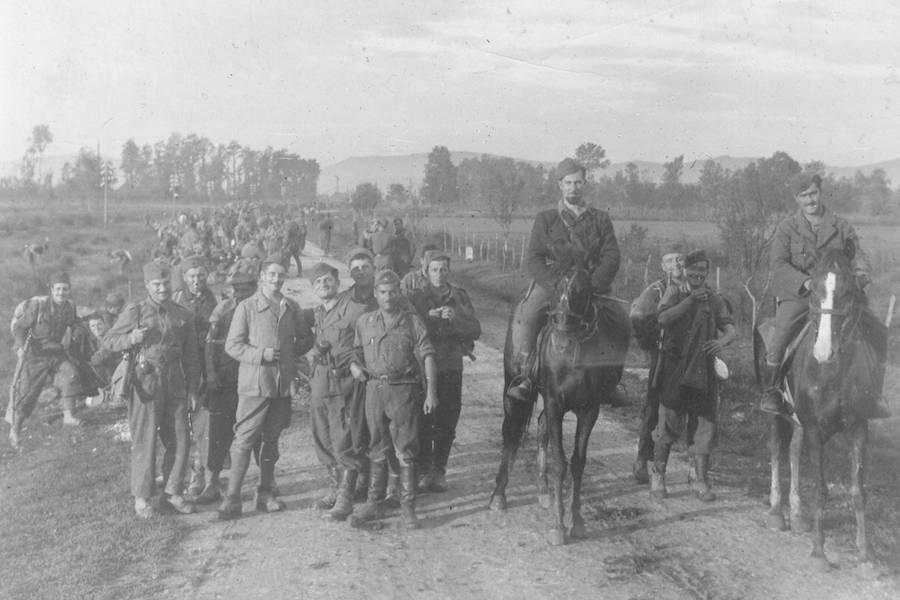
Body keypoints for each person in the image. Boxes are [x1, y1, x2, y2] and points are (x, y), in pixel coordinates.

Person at [761, 173, 889, 418]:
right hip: (801, 295)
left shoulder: (841, 226)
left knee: (877, 332)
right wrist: (806, 282)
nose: (810, 200)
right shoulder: (787, 228)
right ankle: (773, 389)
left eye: (813, 193)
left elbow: (858, 256)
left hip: (837, 295)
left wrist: (860, 276)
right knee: (781, 334)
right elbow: (778, 265)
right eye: (803, 196)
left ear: (820, 193)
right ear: (796, 198)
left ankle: (874, 394)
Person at [506, 158, 622, 403]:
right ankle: (527, 375)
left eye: (578, 182)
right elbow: (534, 257)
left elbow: (611, 256)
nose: (573, 188)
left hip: (589, 285)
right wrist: (553, 285)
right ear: (560, 184)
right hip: (553, 284)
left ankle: (611, 381)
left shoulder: (600, 219)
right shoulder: (547, 219)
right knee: (528, 313)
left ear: (585, 183)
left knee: (619, 318)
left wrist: (592, 284)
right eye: (568, 183)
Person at [103, 260, 202, 518]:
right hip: (145, 381)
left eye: (166, 283)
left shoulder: (183, 314)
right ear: (147, 285)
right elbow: (109, 340)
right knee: (145, 439)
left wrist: (193, 388)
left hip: (175, 380)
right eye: (156, 284)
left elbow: (191, 355)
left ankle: (172, 492)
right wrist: (130, 338)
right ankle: (142, 497)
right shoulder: (135, 311)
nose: (162, 289)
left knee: (180, 437)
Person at [218, 256, 314, 520]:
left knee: (271, 439)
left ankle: (265, 492)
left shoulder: (291, 307)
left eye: (281, 275)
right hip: (254, 384)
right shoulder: (247, 307)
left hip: (281, 385)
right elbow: (232, 346)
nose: (276, 279)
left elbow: (304, 340)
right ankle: (232, 498)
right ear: (262, 276)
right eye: (271, 274)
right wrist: (262, 355)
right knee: (244, 439)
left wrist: (292, 353)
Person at [348, 270, 439, 529]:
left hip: (403, 391)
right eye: (383, 292)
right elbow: (355, 352)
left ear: (399, 293)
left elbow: (428, 356)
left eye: (392, 291)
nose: (388, 296)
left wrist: (431, 392)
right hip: (374, 389)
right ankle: (373, 503)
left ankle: (408, 508)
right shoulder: (364, 322)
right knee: (376, 446)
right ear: (375, 294)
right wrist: (355, 366)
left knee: (406, 449)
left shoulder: (412, 322)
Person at [650, 250, 736, 502]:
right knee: (668, 423)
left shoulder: (714, 299)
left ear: (707, 273)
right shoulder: (674, 292)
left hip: (703, 369)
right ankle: (658, 476)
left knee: (704, 425)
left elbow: (730, 330)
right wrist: (689, 301)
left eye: (702, 270)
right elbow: (663, 318)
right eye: (693, 270)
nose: (697, 274)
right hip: (675, 367)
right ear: (684, 270)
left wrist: (721, 342)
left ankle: (699, 480)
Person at [307, 258, 377, 521]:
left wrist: (356, 363)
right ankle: (336, 488)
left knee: (344, 436)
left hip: (344, 379)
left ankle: (346, 498)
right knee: (322, 433)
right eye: (318, 282)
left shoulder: (355, 309)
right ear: (313, 288)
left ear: (337, 282)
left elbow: (365, 342)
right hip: (320, 379)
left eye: (328, 280)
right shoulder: (318, 312)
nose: (324, 285)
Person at [408, 251, 481, 493]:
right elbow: (405, 324)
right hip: (421, 366)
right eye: (434, 270)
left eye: (443, 270)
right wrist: (426, 317)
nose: (439, 274)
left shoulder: (459, 296)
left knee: (447, 420)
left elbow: (475, 329)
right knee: (422, 420)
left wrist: (455, 319)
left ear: (449, 271)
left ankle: (439, 470)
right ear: (426, 271)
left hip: (450, 365)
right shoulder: (416, 297)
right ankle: (423, 470)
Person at [193, 259, 258, 504]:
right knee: (218, 432)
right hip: (225, 378)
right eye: (237, 289)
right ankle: (212, 483)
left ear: (255, 287)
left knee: (256, 432)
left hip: (253, 378)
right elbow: (210, 345)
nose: (241, 293)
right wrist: (211, 374)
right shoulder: (223, 310)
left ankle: (265, 484)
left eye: (246, 289)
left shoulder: (260, 308)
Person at [7, 272, 85, 449]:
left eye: (65, 289)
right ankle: (15, 430)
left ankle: (68, 416)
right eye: (58, 289)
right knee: (27, 394)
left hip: (56, 353)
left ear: (69, 290)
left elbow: (75, 322)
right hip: (35, 355)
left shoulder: (70, 306)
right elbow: (19, 328)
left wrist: (77, 331)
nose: (61, 293)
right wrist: (20, 347)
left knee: (71, 374)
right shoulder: (38, 306)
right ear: (51, 289)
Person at [628, 252, 687, 483]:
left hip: (690, 357)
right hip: (663, 355)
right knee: (654, 406)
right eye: (670, 261)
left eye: (680, 259)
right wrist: (648, 341)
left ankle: (695, 468)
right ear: (663, 266)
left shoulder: (692, 286)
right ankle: (642, 458)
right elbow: (637, 315)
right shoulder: (656, 290)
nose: (676, 264)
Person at [172, 255, 219, 499]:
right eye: (192, 276)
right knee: (180, 424)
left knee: (204, 422)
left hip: (205, 366)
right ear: (184, 277)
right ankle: (179, 474)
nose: (197, 280)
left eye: (201, 275)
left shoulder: (215, 300)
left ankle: (201, 473)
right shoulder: (176, 300)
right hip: (179, 367)